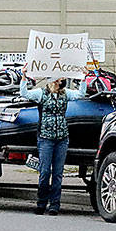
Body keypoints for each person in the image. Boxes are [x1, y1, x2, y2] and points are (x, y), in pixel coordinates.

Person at [19, 73, 88, 215]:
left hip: (62, 137)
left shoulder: (65, 94)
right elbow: (24, 93)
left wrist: (83, 78)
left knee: (58, 173)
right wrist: (24, 77)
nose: (62, 81)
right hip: (46, 138)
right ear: (53, 80)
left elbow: (80, 94)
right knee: (45, 172)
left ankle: (54, 205)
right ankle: (41, 202)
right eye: (60, 79)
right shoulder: (42, 94)